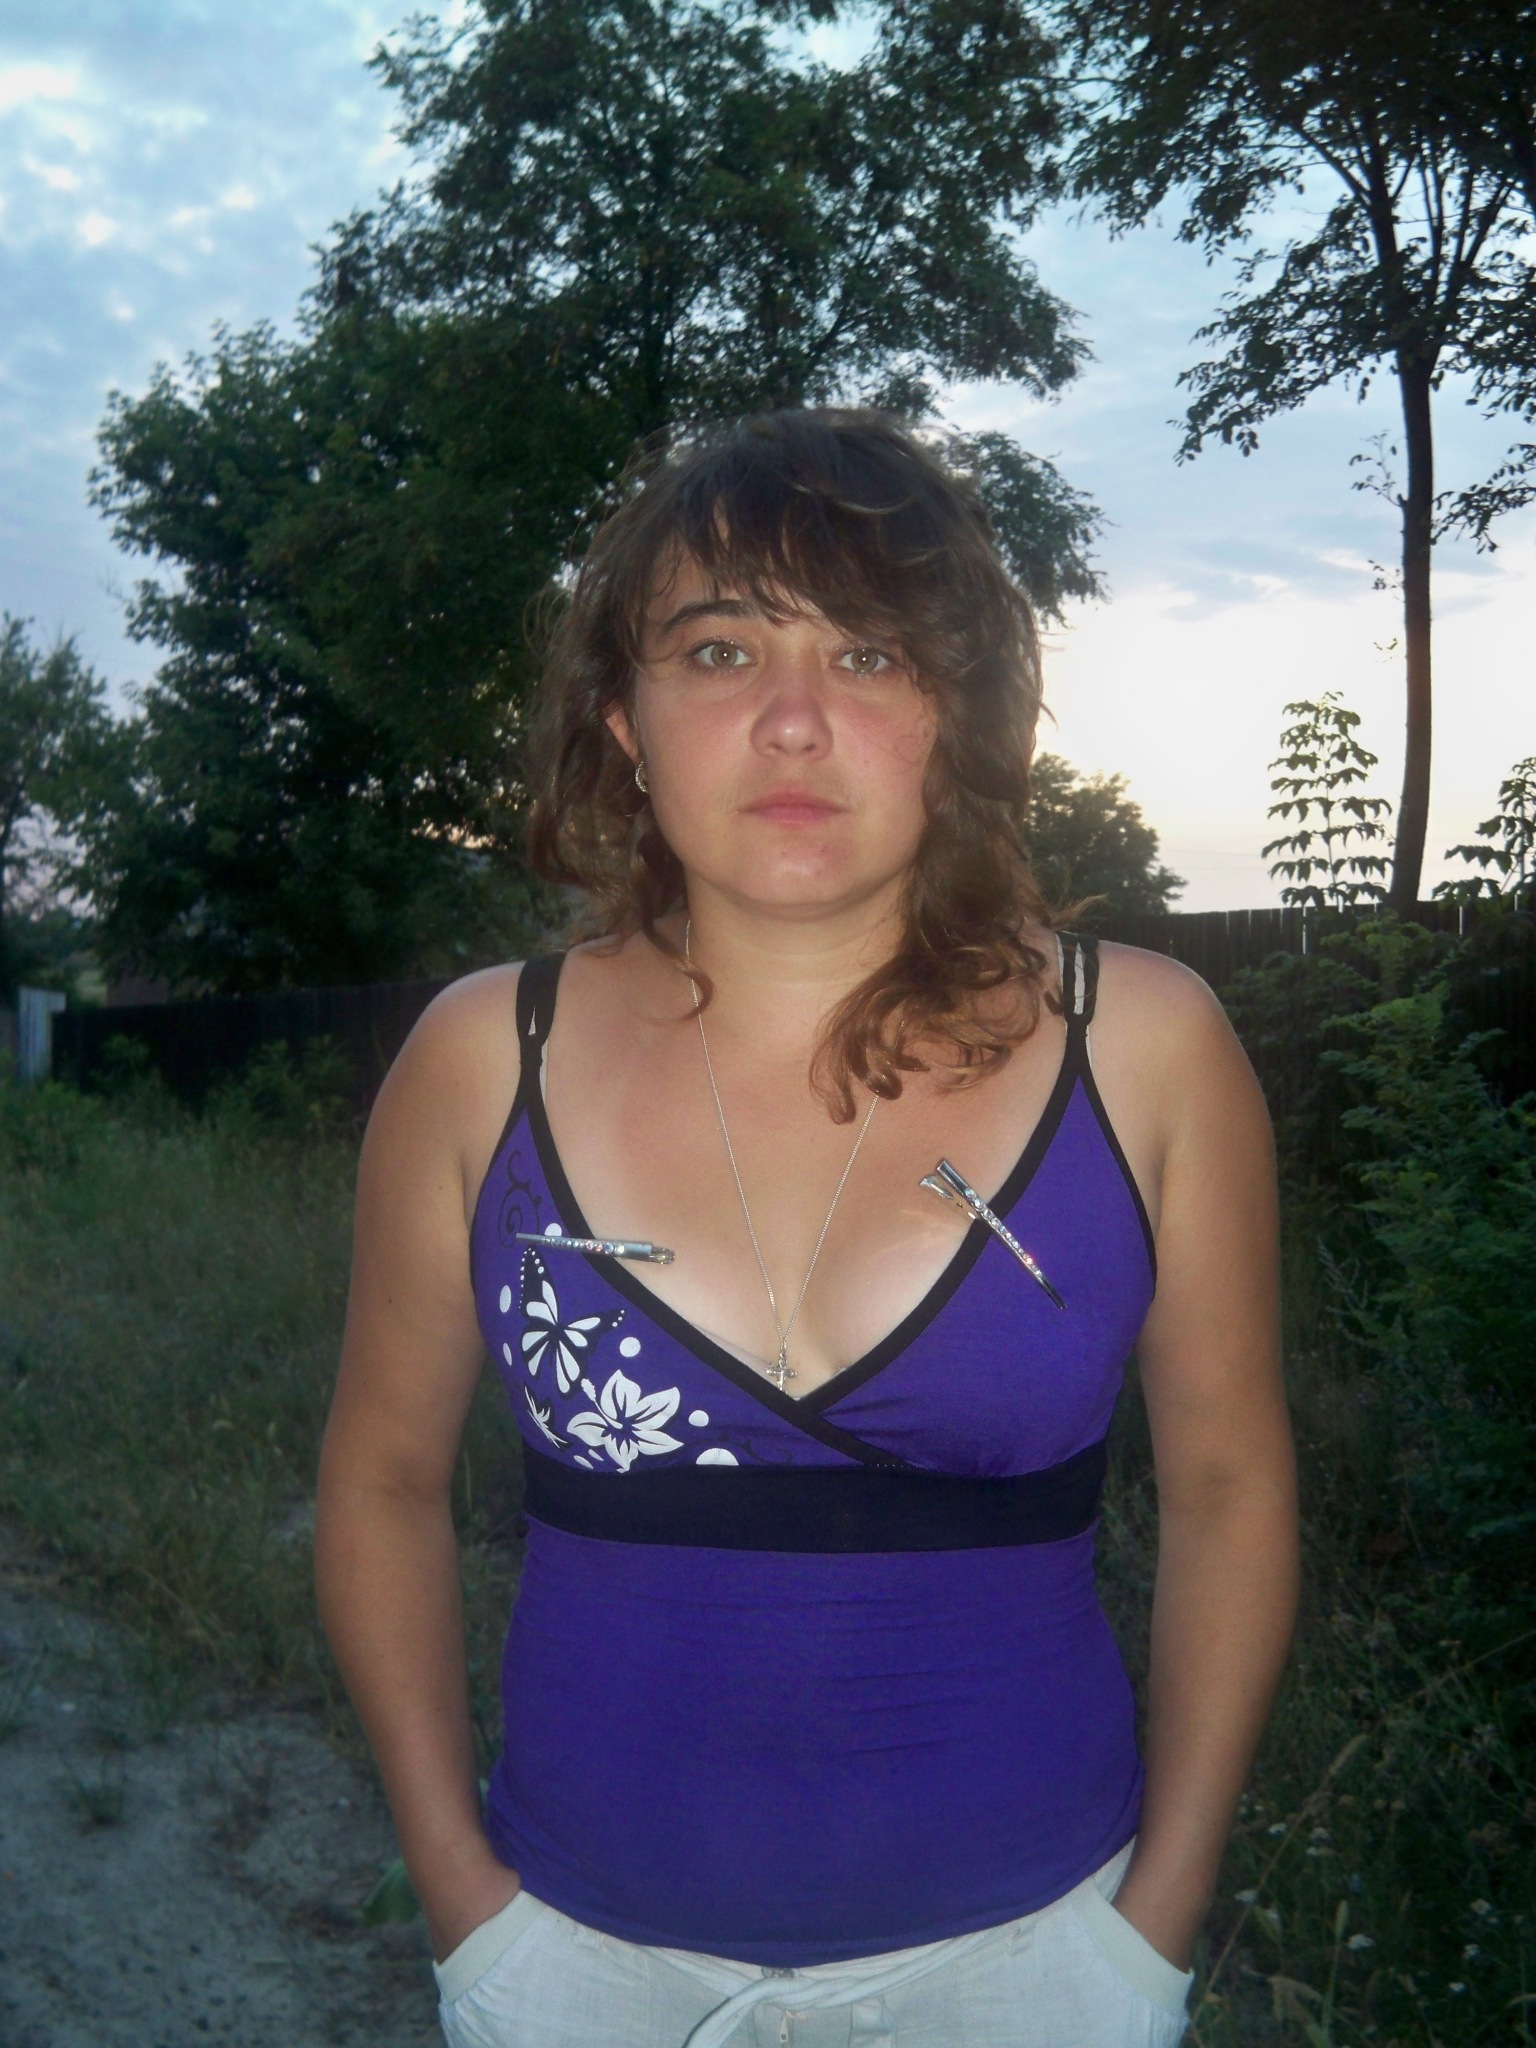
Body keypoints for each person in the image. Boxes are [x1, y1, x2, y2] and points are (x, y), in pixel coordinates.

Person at [314, 408, 1299, 2048]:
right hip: (575, 1970)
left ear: (955, 712)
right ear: (625, 718)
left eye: (868, 654)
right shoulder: (484, 1061)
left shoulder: (1145, 1050)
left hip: (1038, 1969)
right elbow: (379, 1483)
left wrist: (1147, 1940)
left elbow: (1230, 1489)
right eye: (719, 651)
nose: (791, 720)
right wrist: (469, 1917)